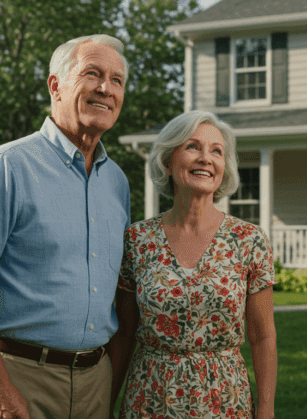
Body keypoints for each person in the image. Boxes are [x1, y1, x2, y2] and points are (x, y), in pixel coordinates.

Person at [0, 34, 131, 419]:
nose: (105, 89)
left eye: (117, 80)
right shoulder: (9, 166)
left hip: (95, 380)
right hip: (16, 375)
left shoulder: (117, 182)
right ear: (55, 85)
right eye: (92, 74)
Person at [110, 111, 277, 419]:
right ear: (167, 161)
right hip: (150, 398)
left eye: (216, 151)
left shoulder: (249, 240)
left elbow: (262, 334)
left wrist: (266, 409)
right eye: (192, 147)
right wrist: (105, 404)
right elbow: (123, 333)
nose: (206, 158)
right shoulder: (137, 240)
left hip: (225, 400)